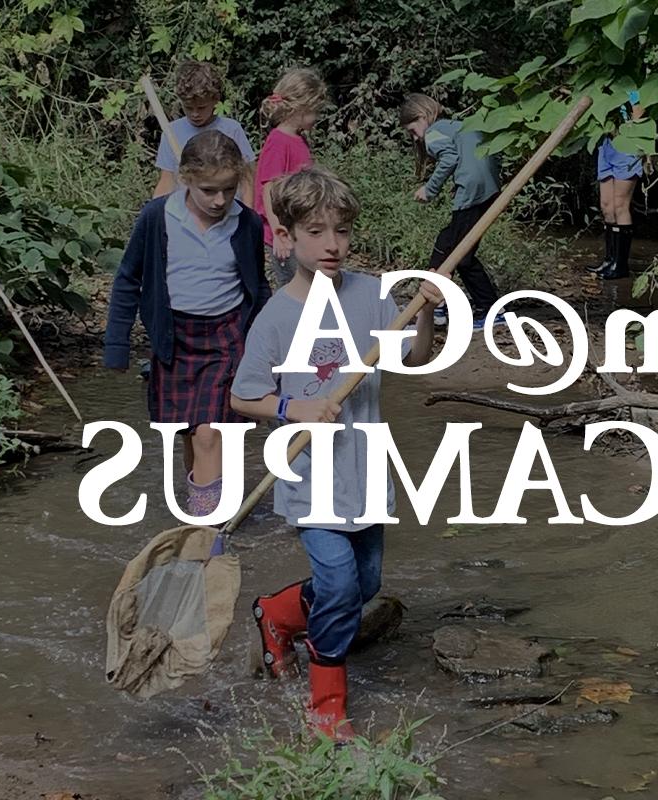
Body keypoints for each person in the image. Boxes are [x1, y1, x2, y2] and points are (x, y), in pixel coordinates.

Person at [230, 167, 442, 739]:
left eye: (341, 231)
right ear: (289, 236)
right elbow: (243, 394)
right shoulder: (276, 316)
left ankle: (275, 614)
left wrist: (424, 309)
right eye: (317, 231)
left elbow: (415, 359)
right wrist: (293, 409)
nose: (332, 244)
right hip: (310, 478)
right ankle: (326, 707)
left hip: (366, 471)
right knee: (342, 588)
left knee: (364, 585)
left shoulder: (373, 295)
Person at [106, 130, 270, 517]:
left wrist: (267, 348)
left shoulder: (245, 222)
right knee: (189, 433)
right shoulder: (156, 217)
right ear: (186, 180)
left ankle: (206, 526)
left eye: (229, 190)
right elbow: (129, 278)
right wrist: (117, 345)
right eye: (209, 190)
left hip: (228, 335)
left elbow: (257, 285)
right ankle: (202, 497)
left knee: (211, 430)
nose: (220, 200)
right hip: (173, 337)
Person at [399, 92, 502, 329]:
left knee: (457, 253)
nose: (415, 139)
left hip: (472, 192)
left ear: (423, 116)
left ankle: (477, 308)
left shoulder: (435, 131)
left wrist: (430, 188)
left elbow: (450, 157)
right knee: (452, 246)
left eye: (413, 131)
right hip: (488, 189)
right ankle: (440, 302)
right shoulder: (457, 126)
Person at [255, 67, 327, 288]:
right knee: (293, 286)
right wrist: (279, 232)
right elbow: (269, 189)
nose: (317, 117)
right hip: (284, 231)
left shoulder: (298, 139)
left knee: (310, 282)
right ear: (300, 108)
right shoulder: (279, 141)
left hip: (299, 227)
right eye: (315, 111)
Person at [151, 61, 256, 207]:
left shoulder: (232, 129)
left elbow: (247, 179)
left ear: (215, 100)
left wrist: (249, 212)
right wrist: (154, 210)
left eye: (201, 107)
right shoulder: (171, 131)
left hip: (226, 210)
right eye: (188, 107)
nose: (195, 114)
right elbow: (167, 180)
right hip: (187, 215)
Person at [586, 91, 644, 281]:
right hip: (607, 144)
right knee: (607, 206)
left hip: (627, 146)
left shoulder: (633, 90)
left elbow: (639, 115)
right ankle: (609, 260)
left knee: (620, 205)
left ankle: (620, 264)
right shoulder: (604, 87)